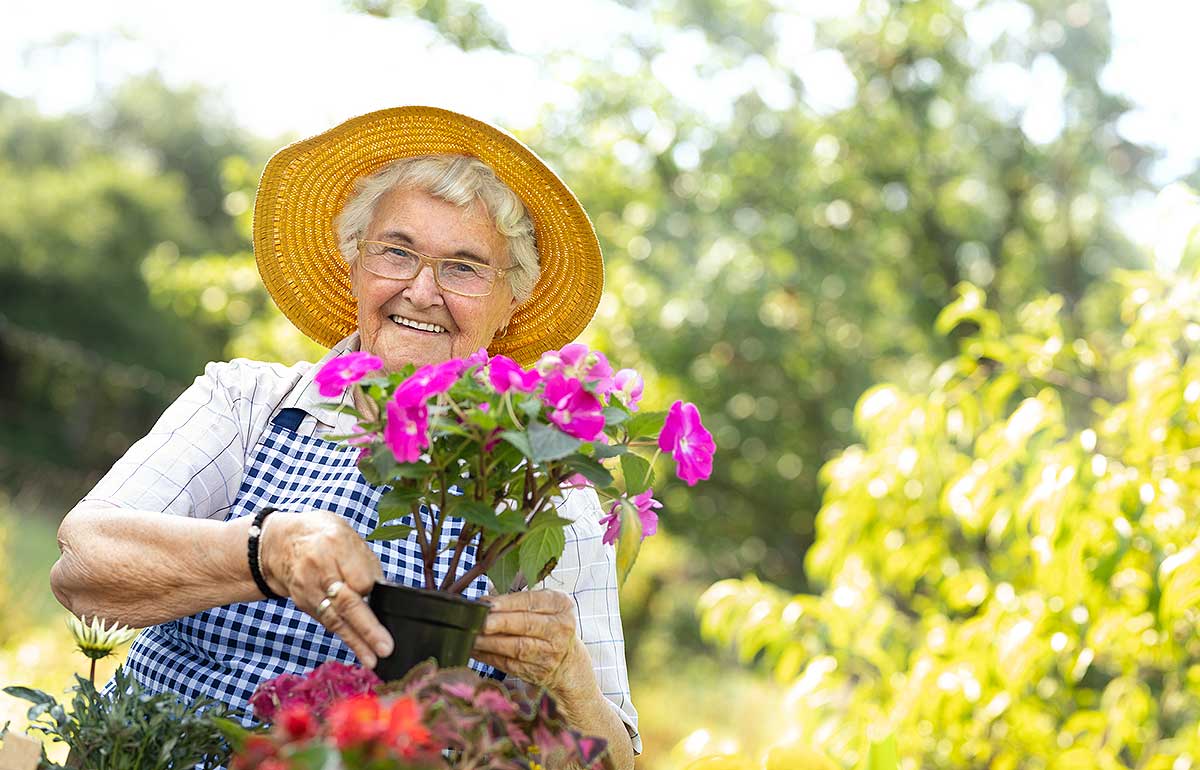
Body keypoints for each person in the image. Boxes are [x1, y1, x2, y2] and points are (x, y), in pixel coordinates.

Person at [49, 106, 639, 767]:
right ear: (354, 264)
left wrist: (568, 678)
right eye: (396, 251)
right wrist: (263, 551)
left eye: (465, 267)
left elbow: (612, 760)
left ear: (512, 303)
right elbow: (82, 564)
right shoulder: (248, 403)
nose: (422, 290)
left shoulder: (547, 495)